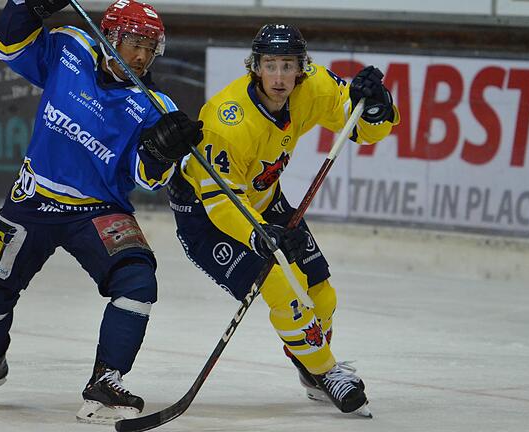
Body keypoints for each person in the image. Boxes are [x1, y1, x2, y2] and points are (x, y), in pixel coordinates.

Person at [0, 0, 201, 425]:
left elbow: (147, 176)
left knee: (137, 280)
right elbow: (7, 47)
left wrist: (159, 151)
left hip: (98, 210)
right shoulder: (69, 47)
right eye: (135, 43)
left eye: (150, 48)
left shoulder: (156, 106)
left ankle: (107, 378)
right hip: (34, 199)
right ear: (111, 37)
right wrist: (27, 6)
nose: (141, 56)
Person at [166, 24, 399, 417]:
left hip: (264, 200)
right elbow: (222, 202)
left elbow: (361, 127)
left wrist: (378, 106)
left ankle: (309, 368)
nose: (278, 76)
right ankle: (326, 372)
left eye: (287, 65)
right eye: (270, 65)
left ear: (301, 69)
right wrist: (261, 237)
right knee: (283, 289)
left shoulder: (314, 87)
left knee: (323, 294)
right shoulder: (228, 120)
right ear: (255, 67)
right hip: (207, 215)